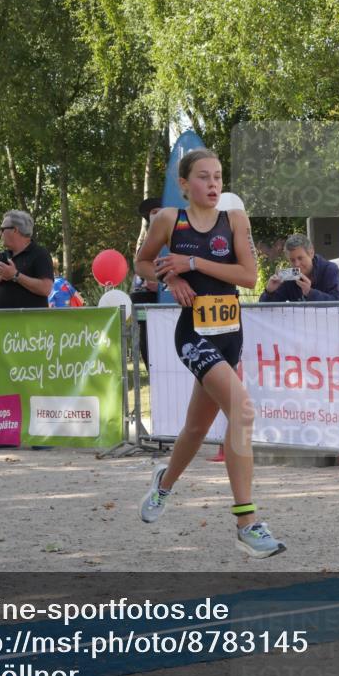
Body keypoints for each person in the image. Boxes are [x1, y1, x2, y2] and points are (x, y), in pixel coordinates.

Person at [134, 148, 286, 558]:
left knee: (197, 429)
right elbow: (143, 262)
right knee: (243, 410)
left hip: (230, 333)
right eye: (204, 177)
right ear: (184, 184)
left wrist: (193, 262)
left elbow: (249, 277)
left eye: (218, 176)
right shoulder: (169, 220)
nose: (214, 184)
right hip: (193, 334)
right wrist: (170, 278)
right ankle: (247, 522)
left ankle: (164, 483)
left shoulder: (234, 220)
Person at [0, 210, 54, 308]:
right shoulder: (4, 255)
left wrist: (15, 275)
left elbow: (46, 288)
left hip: (28, 322)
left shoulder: (39, 253)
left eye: (2, 229)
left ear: (15, 230)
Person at [258, 232, 339, 302]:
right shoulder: (290, 276)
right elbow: (265, 310)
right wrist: (269, 291)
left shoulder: (329, 270)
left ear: (311, 253)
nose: (296, 264)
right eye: (292, 260)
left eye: (300, 258)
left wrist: (310, 293)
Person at [131, 197, 163, 366]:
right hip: (143, 303)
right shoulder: (146, 240)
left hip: (164, 305)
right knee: (146, 343)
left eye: (159, 211)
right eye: (152, 213)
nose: (155, 216)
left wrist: (160, 286)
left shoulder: (175, 239)